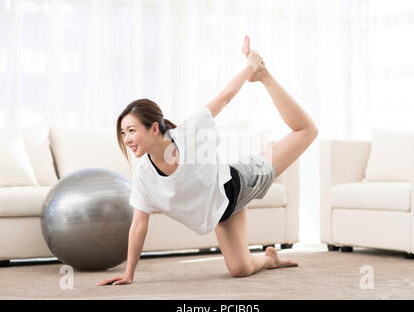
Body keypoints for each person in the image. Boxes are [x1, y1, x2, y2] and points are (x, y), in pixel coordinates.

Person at [96, 35, 318, 286]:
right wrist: (129, 274)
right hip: (221, 212)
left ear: (154, 128)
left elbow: (224, 97)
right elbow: (138, 225)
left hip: (241, 183)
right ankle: (270, 260)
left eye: (132, 130)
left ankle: (266, 77)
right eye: (123, 133)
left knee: (307, 131)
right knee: (240, 269)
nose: (127, 139)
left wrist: (252, 67)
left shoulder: (187, 134)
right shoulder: (144, 175)